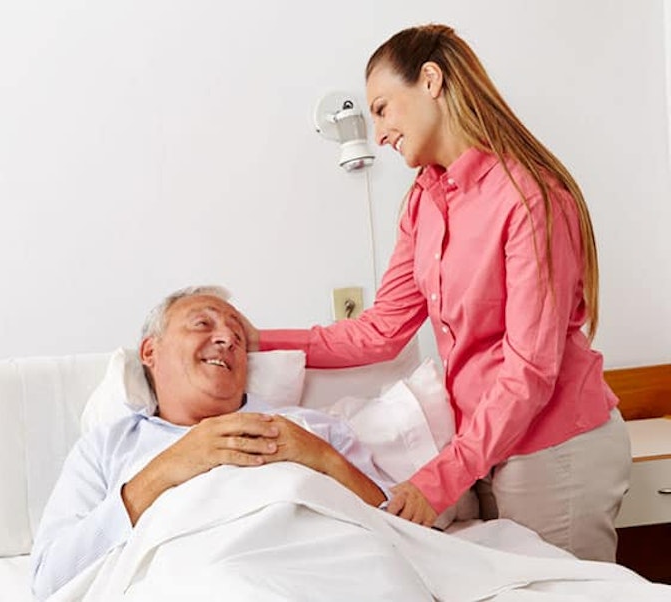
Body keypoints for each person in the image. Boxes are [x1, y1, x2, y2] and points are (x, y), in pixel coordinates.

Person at [245, 24, 631, 563]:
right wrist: (251, 340)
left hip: (554, 448)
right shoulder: (423, 204)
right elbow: (380, 332)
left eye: (382, 109)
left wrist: (440, 480)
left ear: (430, 80)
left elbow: (529, 371)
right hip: (482, 448)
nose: (380, 134)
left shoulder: (530, 198)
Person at [30, 285, 392, 600]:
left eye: (238, 336)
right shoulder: (108, 447)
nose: (227, 339)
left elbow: (399, 529)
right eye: (202, 324)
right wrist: (165, 470)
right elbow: (51, 579)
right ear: (150, 352)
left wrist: (322, 459)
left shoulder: (313, 429)